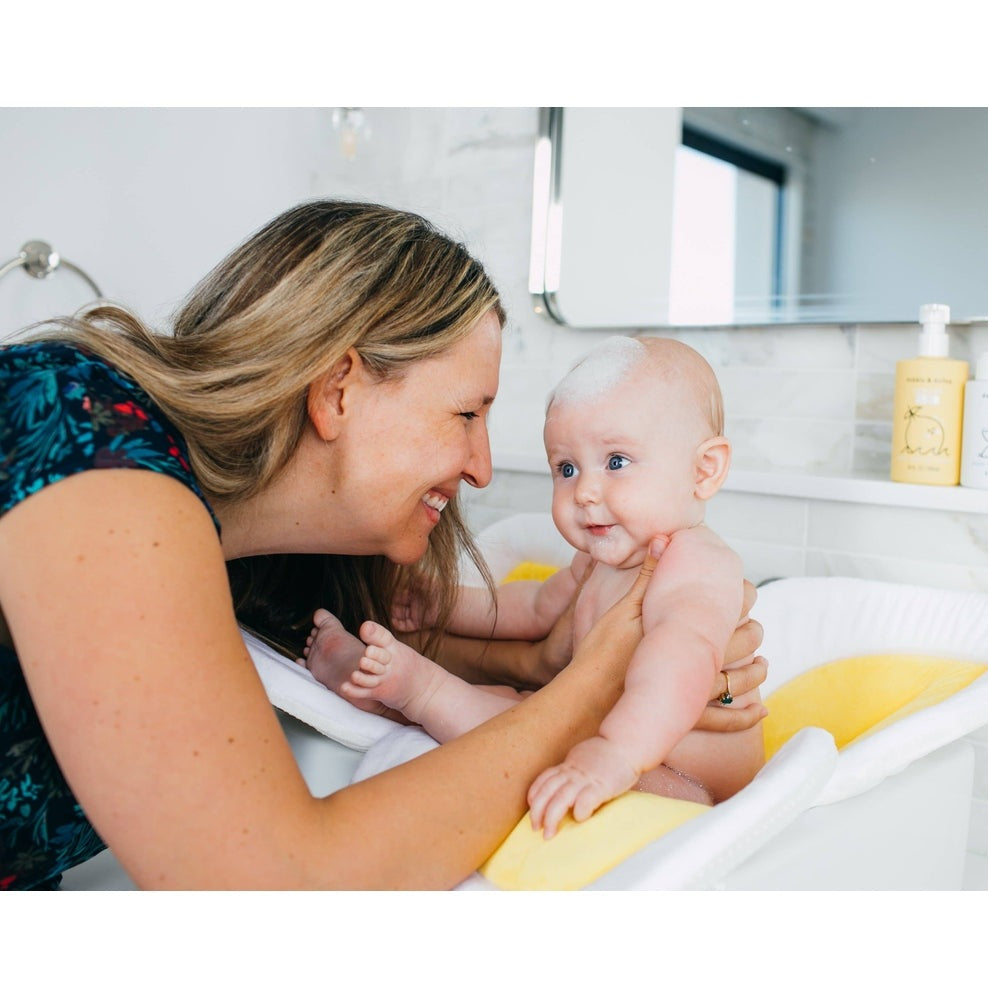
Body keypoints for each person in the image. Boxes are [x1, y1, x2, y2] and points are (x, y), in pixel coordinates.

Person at [0, 199, 765, 890]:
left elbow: (487, 650)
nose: (482, 466)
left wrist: (671, 672)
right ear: (338, 390)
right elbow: (275, 885)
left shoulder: (254, 561)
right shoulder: (81, 436)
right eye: (466, 414)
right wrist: (598, 687)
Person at [303, 336, 763, 838]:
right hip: (593, 718)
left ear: (704, 470)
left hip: (678, 771)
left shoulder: (696, 561)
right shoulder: (600, 558)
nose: (584, 493)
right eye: (566, 468)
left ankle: (417, 689)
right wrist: (441, 603)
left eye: (615, 461)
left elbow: (678, 662)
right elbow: (537, 608)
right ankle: (387, 685)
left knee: (531, 730)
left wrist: (617, 752)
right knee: (516, 709)